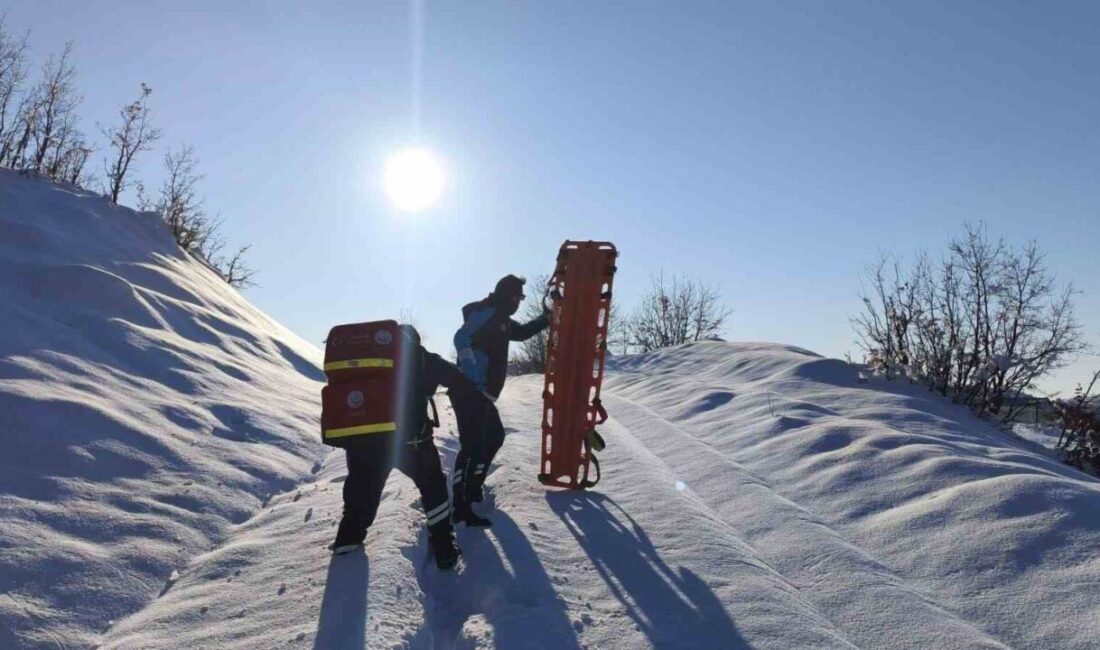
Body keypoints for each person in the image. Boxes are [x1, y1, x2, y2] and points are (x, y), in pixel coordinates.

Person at [332, 325, 479, 570]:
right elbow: (460, 381)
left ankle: (348, 538)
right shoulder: (421, 356)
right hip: (412, 443)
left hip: (364, 442)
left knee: (361, 488)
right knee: (433, 487)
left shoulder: (363, 360)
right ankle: (444, 549)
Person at [451, 274, 550, 527]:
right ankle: (461, 507)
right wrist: (473, 375)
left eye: (521, 298)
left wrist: (546, 319)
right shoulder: (485, 313)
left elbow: (523, 332)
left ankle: (472, 489)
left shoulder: (501, 319)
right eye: (518, 297)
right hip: (470, 392)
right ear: (507, 295)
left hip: (480, 394)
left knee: (493, 438)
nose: (519, 302)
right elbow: (460, 338)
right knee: (472, 447)